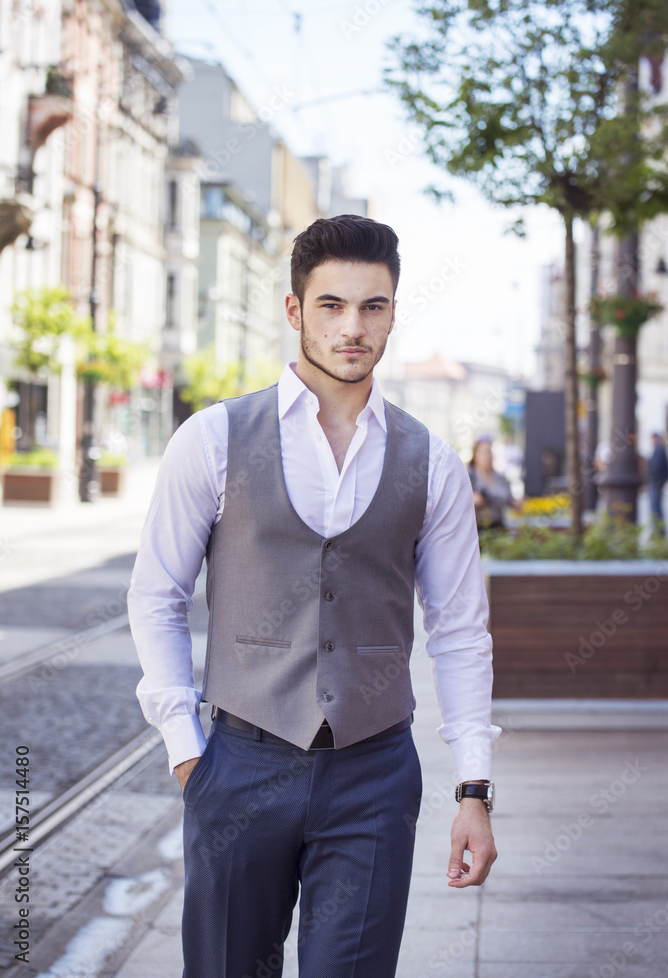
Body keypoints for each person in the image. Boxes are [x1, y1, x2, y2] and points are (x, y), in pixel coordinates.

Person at [128, 214, 500, 978]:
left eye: (373, 306)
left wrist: (474, 786)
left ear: (394, 312)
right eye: (331, 305)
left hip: (374, 774)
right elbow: (158, 592)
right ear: (295, 311)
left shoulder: (430, 462)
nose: (352, 327)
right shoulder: (214, 439)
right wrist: (185, 752)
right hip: (239, 764)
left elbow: (460, 628)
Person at [467, 436, 516, 529]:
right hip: (476, 527)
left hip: (498, 525)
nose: (488, 456)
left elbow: (510, 500)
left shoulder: (500, 477)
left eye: (490, 452)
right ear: (475, 454)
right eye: (484, 453)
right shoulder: (468, 476)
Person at [648, 431, 668, 535]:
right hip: (657, 481)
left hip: (656, 482)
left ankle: (659, 530)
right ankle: (658, 528)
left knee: (655, 505)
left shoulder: (659, 449)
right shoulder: (659, 448)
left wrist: (653, 478)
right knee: (655, 505)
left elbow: (656, 467)